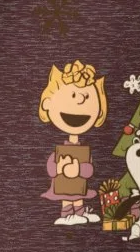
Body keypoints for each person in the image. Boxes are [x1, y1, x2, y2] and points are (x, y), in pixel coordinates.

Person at [37, 60, 108, 225]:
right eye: (73, 96)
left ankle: (80, 212)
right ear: (47, 103)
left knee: (78, 197)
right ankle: (67, 214)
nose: (80, 100)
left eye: (87, 97)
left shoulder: (84, 152)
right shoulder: (60, 150)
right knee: (66, 197)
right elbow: (51, 167)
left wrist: (78, 170)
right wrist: (60, 168)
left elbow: (89, 170)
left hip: (79, 184)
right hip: (63, 184)